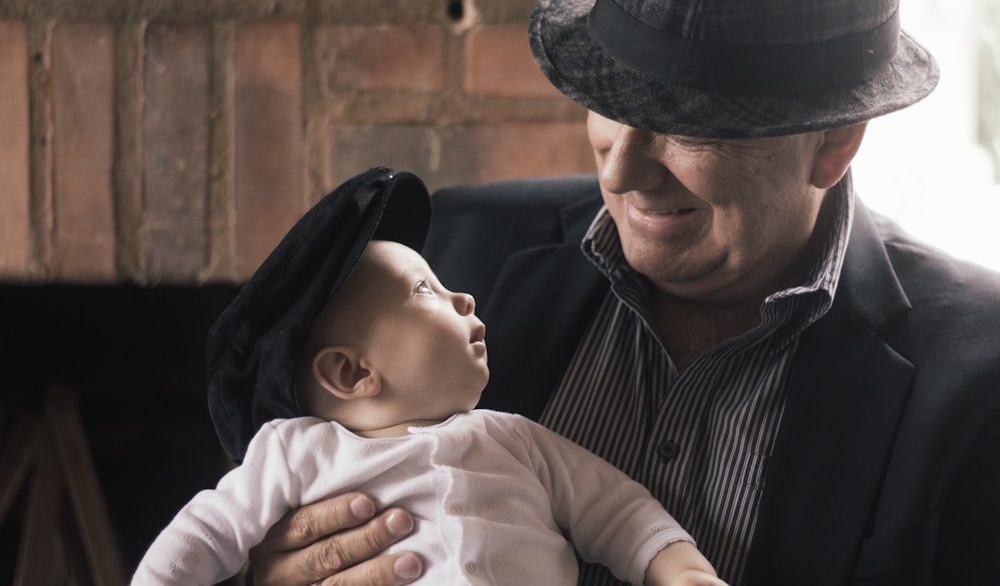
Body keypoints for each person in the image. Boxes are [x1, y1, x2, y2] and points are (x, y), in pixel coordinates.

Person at [245, 0, 1000, 584]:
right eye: (612, 99)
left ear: (834, 141)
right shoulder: (451, 248)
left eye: (683, 122)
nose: (619, 170)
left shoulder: (975, 375)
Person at [132, 167, 727, 586]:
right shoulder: (294, 455)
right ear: (351, 371)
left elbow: (616, 510)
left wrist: (684, 570)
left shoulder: (514, 438)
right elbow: (208, 532)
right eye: (426, 290)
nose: (464, 296)